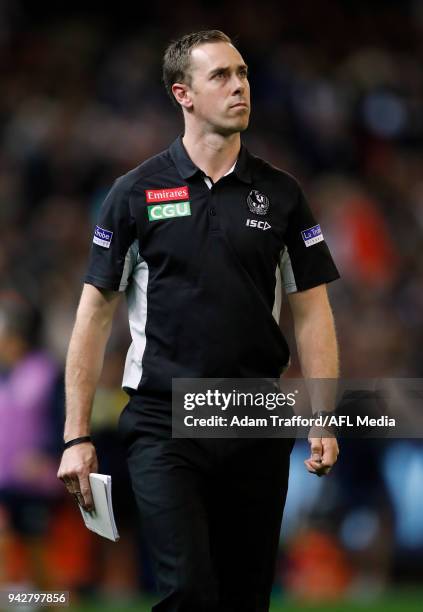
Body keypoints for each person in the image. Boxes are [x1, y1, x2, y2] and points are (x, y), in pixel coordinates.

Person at [58, 30, 340, 611]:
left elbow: (313, 313)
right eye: (221, 76)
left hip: (255, 416)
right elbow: (93, 316)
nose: (239, 86)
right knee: (186, 592)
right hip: (163, 420)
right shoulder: (134, 193)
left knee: (245, 597)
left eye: (242, 74)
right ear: (183, 93)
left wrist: (323, 416)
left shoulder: (282, 195)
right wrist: (76, 435)